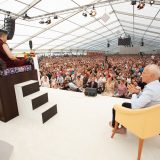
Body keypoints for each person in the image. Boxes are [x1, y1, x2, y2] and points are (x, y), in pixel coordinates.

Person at [109, 64, 160, 134]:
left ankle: (115, 126)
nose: (141, 74)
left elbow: (135, 106)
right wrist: (138, 92)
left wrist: (133, 93)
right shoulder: (156, 86)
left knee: (115, 108)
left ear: (151, 75)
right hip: (152, 116)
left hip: (143, 116)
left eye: (144, 72)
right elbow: (146, 98)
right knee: (125, 104)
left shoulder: (150, 89)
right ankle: (123, 127)